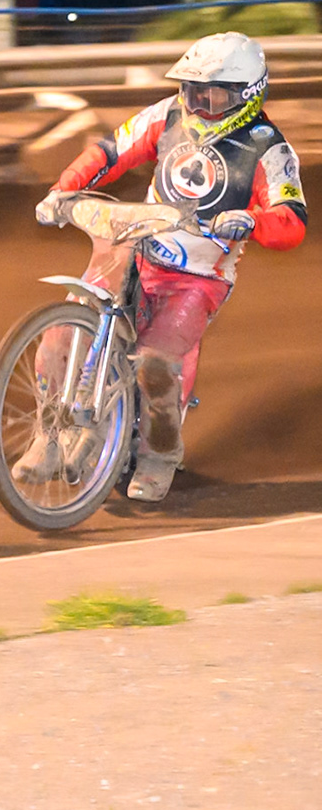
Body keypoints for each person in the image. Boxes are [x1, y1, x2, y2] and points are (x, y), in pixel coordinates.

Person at [27, 33, 305, 502]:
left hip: (198, 278)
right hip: (134, 244)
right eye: (194, 90)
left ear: (246, 93)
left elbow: (292, 220)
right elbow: (111, 151)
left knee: (155, 364)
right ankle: (46, 434)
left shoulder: (270, 149)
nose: (199, 101)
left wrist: (251, 220)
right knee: (58, 336)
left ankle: (160, 453)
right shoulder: (167, 114)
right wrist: (63, 189)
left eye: (213, 93)